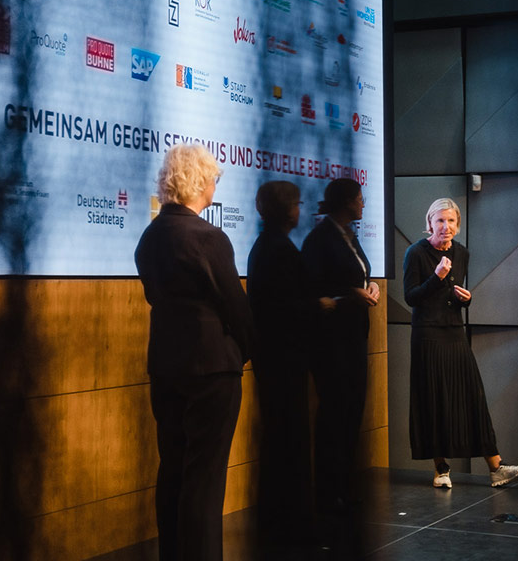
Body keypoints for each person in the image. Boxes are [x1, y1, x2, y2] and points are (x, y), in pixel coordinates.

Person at [135, 144, 252, 561]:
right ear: (200, 181)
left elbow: (154, 296)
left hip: (165, 365)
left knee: (173, 471)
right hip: (212, 370)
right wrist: (246, 349)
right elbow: (235, 305)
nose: (215, 183)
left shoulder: (149, 237)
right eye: (214, 177)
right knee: (204, 480)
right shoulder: (208, 237)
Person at [403, 197, 518, 489]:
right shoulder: (416, 253)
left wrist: (467, 299)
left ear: (457, 225)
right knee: (434, 399)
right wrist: (436, 278)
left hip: (454, 332)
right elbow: (411, 297)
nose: (445, 227)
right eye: (440, 221)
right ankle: (441, 469)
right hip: (428, 335)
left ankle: (496, 468)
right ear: (430, 223)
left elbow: (452, 294)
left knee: (472, 397)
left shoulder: (461, 253)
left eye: (450, 221)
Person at [247, 181, 335, 546]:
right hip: (284, 357)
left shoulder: (265, 246)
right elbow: (280, 309)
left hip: (274, 357)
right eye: (297, 204)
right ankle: (289, 515)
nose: (301, 210)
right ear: (286, 209)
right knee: (289, 435)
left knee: (281, 435)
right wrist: (320, 305)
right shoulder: (279, 250)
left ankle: (280, 512)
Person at [300, 178, 379, 518]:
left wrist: (371, 286)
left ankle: (344, 488)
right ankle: (329, 492)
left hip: (354, 337)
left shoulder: (351, 236)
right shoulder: (320, 239)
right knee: (334, 414)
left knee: (352, 413)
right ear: (346, 202)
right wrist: (349, 295)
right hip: (331, 342)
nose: (364, 205)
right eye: (360, 199)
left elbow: (359, 275)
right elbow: (312, 291)